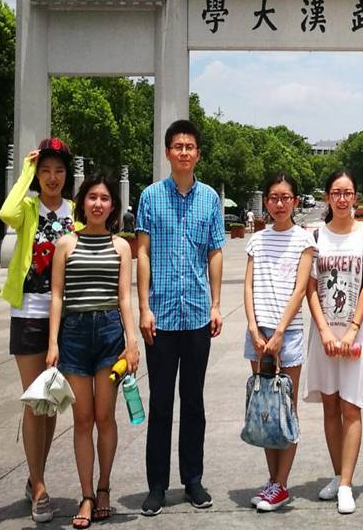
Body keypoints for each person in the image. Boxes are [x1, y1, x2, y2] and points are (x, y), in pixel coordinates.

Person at [136, 119, 225, 516]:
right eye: (178, 146)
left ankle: (193, 480)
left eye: (190, 146)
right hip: (161, 316)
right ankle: (157, 485)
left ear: (198, 154)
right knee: (160, 403)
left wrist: (216, 304)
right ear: (168, 152)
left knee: (193, 402)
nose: (184, 152)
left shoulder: (209, 199)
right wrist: (143, 307)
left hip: (197, 317)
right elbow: (142, 253)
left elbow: (215, 252)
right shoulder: (150, 197)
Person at [47, 174, 139, 529]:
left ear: (113, 206)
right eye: (92, 197)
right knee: (82, 420)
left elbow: (124, 298)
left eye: (105, 199)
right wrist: (53, 342)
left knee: (105, 417)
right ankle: (86, 494)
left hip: (110, 333)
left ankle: (104, 488)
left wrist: (131, 341)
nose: (98, 204)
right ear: (82, 202)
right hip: (74, 333)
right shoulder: (66, 244)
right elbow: (58, 296)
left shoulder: (121, 246)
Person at [0, 137, 77, 523]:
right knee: (34, 400)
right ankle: (40, 486)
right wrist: (25, 171)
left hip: (64, 316)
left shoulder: (74, 212)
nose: (52, 177)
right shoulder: (29, 208)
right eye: (45, 170)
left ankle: (36, 478)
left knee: (51, 401)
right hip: (29, 312)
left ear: (67, 174)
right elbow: (6, 211)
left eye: (58, 170)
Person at [303, 170, 363, 514]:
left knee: (352, 407)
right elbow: (309, 287)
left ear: (355, 196)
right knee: (330, 407)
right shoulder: (316, 236)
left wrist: (351, 331)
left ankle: (347, 484)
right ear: (328, 197)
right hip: (324, 337)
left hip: (354, 337)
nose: (342, 199)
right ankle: (337, 475)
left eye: (347, 193)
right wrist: (324, 332)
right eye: (336, 193)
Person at [244, 172, 316, 511]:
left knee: (286, 409)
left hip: (287, 335)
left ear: (295, 201)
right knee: (265, 409)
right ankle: (272, 481)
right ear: (266, 201)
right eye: (273, 197)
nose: (279, 203)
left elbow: (300, 290)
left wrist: (278, 333)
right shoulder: (257, 240)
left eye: (285, 197)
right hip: (258, 334)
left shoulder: (304, 240)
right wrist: (253, 329)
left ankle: (282, 483)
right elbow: (248, 286)